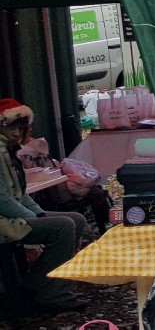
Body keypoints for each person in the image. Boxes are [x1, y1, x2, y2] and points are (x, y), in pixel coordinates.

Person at [0, 99, 88, 313]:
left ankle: (36, 284)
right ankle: (52, 293)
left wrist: (38, 214)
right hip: (4, 221)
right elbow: (2, 200)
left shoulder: (9, 153)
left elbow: (20, 193)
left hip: (12, 215)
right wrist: (35, 217)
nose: (27, 132)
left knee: (76, 220)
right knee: (63, 227)